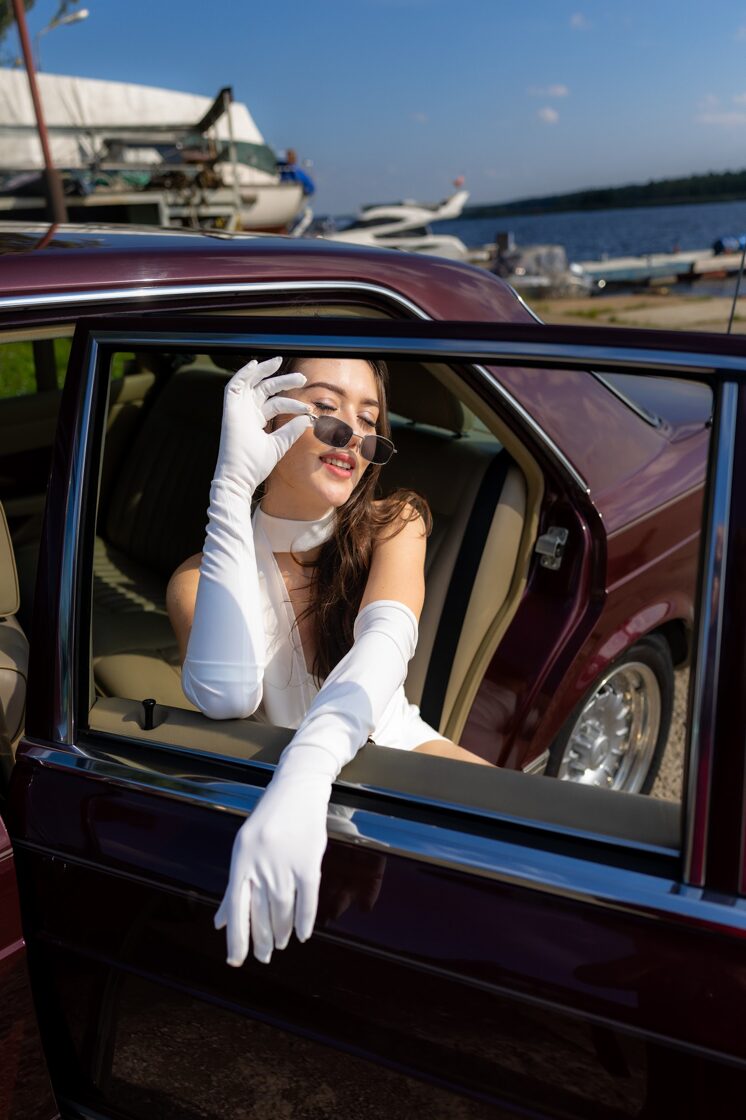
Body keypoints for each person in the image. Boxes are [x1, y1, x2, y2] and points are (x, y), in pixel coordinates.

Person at [167, 355, 489, 968]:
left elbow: (385, 645)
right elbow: (229, 695)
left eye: (368, 420)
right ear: (265, 418)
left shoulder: (395, 524)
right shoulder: (193, 580)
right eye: (325, 408)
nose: (352, 437)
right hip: (274, 792)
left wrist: (307, 774)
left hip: (388, 751)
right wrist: (231, 486)